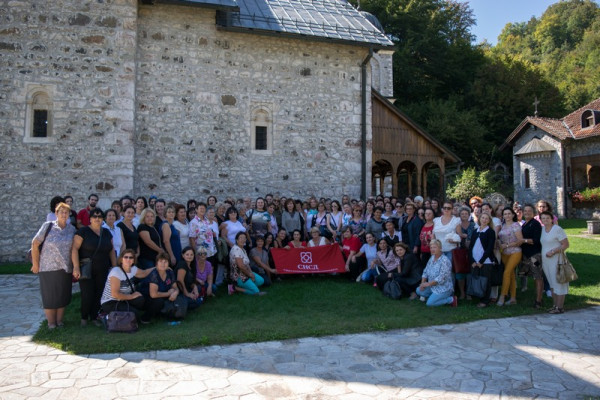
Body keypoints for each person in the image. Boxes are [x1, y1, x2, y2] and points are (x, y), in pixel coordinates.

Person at [31, 202, 76, 329]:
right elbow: (35, 243)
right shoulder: (48, 226)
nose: (64, 214)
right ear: (56, 213)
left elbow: (74, 248)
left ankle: (59, 321)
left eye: (66, 212)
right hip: (48, 267)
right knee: (49, 296)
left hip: (65, 267)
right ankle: (51, 323)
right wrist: (35, 264)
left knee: (62, 295)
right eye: (61, 212)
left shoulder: (72, 229)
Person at [72, 208, 116, 326]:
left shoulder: (106, 232)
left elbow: (111, 250)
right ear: (90, 219)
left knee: (99, 293)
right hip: (86, 268)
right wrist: (76, 267)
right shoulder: (83, 232)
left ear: (103, 219)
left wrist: (114, 266)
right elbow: (75, 249)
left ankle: (94, 316)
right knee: (87, 294)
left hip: (103, 268)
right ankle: (84, 318)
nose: (97, 219)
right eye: (95, 216)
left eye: (100, 216)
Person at [99, 249, 154, 320]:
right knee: (134, 315)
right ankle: (107, 317)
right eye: (126, 257)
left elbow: (144, 273)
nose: (128, 259)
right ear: (121, 259)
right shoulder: (116, 272)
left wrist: (158, 267)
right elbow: (115, 294)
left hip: (123, 299)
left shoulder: (133, 269)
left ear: (133, 260)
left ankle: (128, 311)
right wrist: (131, 296)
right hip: (111, 302)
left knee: (140, 300)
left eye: (131, 257)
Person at [540, 211, 570, 314]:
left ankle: (560, 307)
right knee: (552, 283)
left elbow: (565, 245)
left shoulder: (557, 229)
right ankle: (555, 305)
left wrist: (553, 251)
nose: (545, 220)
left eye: (547, 218)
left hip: (557, 260)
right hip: (546, 261)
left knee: (559, 283)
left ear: (552, 219)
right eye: (543, 218)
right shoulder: (543, 229)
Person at [139, 253, 181, 322]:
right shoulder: (154, 274)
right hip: (147, 299)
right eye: (160, 261)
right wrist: (169, 293)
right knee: (159, 302)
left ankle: (163, 314)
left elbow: (175, 287)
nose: (163, 264)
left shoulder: (170, 272)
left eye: (165, 262)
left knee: (180, 298)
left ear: (168, 264)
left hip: (162, 295)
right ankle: (145, 318)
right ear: (156, 263)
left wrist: (175, 292)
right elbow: (153, 294)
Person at [468, 213, 497, 308]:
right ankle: (478, 296)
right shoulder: (475, 231)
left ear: (489, 221)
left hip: (485, 261)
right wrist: (472, 260)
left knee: (486, 281)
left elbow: (489, 248)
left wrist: (481, 261)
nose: (484, 220)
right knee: (477, 279)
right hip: (475, 260)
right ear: (479, 219)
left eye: (486, 218)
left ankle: (485, 301)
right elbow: (471, 246)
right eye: (483, 218)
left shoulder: (490, 232)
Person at [416, 239, 457, 307]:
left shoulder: (445, 261)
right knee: (418, 290)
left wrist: (428, 284)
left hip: (443, 288)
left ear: (440, 248)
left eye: (435, 247)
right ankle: (434, 297)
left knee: (429, 303)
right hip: (432, 286)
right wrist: (422, 284)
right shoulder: (432, 258)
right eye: (431, 247)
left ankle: (451, 300)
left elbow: (441, 278)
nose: (432, 249)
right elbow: (425, 271)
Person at [497, 207, 523, 306]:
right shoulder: (503, 226)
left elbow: (520, 241)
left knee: (506, 272)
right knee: (511, 275)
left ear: (513, 215)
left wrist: (507, 245)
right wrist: (500, 243)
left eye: (509, 214)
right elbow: (500, 238)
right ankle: (513, 298)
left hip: (515, 252)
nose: (507, 216)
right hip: (504, 253)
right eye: (505, 214)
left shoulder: (515, 225)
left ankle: (502, 296)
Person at [521, 204, 544, 309]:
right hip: (526, 255)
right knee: (531, 276)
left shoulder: (535, 224)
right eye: (525, 211)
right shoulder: (525, 224)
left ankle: (538, 301)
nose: (527, 213)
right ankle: (538, 297)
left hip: (535, 256)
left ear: (534, 213)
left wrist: (524, 240)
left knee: (537, 276)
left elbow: (536, 240)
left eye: (529, 211)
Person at [454, 206, 475, 299]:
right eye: (462, 214)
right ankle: (462, 292)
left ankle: (469, 292)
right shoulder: (456, 225)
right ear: (459, 215)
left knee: (470, 271)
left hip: (471, 250)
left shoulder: (473, 225)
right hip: (459, 251)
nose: (464, 215)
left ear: (469, 215)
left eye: (466, 214)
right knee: (460, 272)